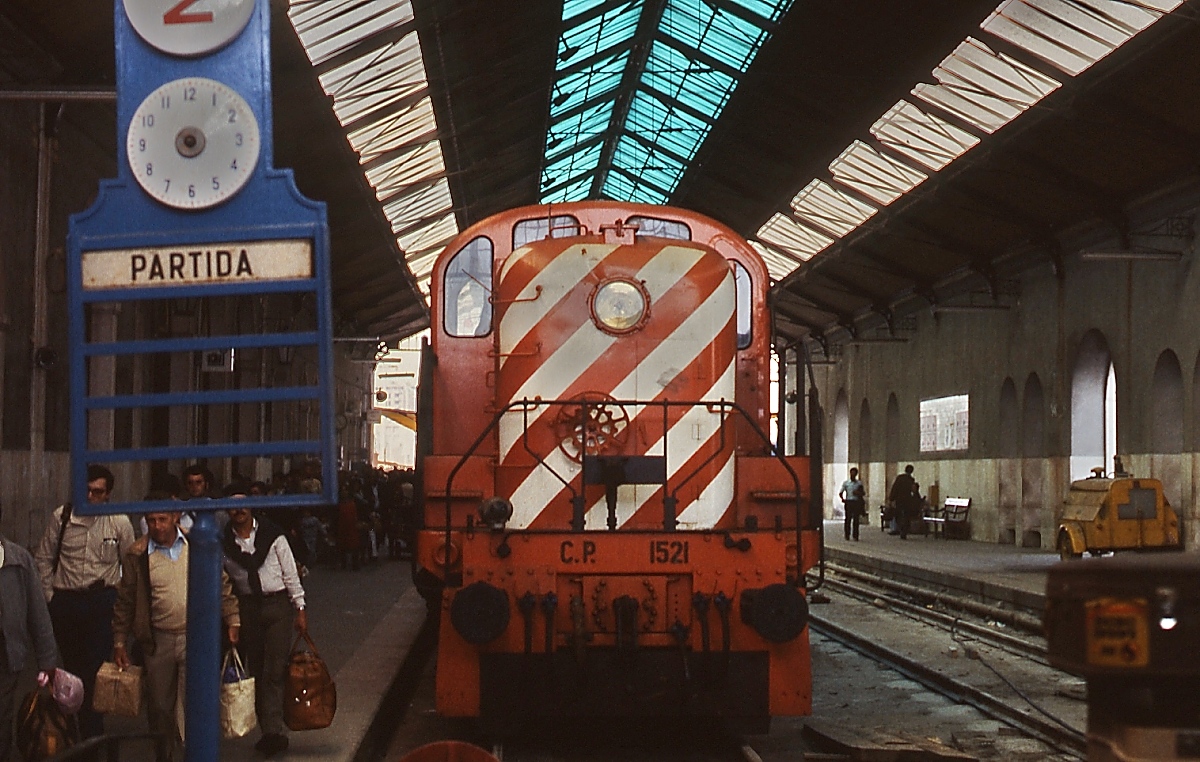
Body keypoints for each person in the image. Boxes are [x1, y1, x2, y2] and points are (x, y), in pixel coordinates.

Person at [112, 511, 240, 762]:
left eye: (162, 519)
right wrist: (119, 640)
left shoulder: (198, 545)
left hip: (194, 638)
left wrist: (232, 618)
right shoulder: (137, 554)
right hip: (157, 640)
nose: (157, 526)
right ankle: (165, 754)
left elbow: (221, 583)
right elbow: (125, 600)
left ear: (175, 518)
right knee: (160, 706)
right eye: (151, 521)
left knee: (192, 704)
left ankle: (189, 755)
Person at [34, 464, 136, 738]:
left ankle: (92, 733)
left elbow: (131, 565)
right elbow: (43, 558)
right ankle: (70, 730)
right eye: (87, 490)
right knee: (71, 671)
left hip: (101, 602)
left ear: (108, 494)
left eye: (97, 492)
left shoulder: (118, 522)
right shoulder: (62, 517)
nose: (91, 497)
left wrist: (121, 603)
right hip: (66, 602)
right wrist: (50, 597)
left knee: (95, 671)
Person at [221, 486, 307, 758]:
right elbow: (224, 581)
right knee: (256, 667)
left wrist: (300, 607)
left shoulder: (273, 535)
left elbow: (290, 572)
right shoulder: (223, 544)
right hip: (248, 608)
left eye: (243, 504)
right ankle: (267, 729)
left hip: (277, 605)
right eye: (233, 505)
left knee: (275, 668)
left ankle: (275, 730)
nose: (239, 510)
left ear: (252, 507)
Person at [0, 511, 59, 762]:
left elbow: (38, 613)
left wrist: (48, 659)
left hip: (5, 655)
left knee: (2, 717)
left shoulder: (19, 561)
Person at [887, 464, 919, 539]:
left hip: (899, 500)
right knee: (906, 516)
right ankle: (904, 530)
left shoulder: (900, 478)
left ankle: (901, 528)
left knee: (898, 515)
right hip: (907, 500)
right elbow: (913, 491)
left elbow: (894, 488)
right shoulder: (911, 480)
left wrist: (891, 499)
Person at [839, 467, 866, 541]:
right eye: (852, 473)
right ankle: (847, 534)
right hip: (849, 501)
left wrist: (858, 493)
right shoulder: (846, 483)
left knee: (856, 519)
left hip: (856, 502)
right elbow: (841, 492)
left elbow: (863, 493)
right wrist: (843, 499)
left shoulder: (859, 483)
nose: (853, 475)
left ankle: (855, 535)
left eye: (854, 474)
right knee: (848, 519)